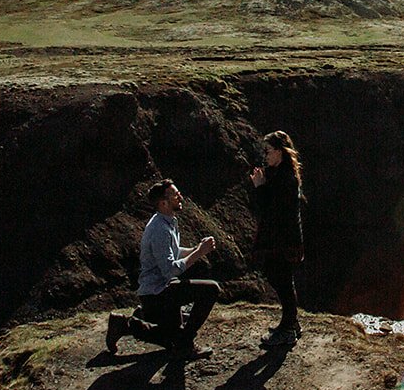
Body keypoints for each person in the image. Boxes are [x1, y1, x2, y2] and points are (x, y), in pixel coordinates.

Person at [105, 179, 221, 358]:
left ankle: (129, 324)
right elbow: (170, 270)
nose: (180, 196)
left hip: (159, 291)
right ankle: (184, 343)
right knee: (211, 290)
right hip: (157, 293)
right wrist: (198, 252)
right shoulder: (160, 229)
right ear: (163, 203)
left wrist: (194, 250)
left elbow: (173, 252)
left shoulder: (166, 222)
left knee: (175, 333)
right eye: (175, 195)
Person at [248, 130, 306, 348]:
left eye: (269, 151)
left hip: (283, 240)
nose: (266, 155)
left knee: (280, 279)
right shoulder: (279, 173)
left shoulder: (285, 178)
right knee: (280, 279)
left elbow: (271, 209)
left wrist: (260, 187)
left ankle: (288, 328)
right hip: (281, 239)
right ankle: (290, 323)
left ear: (280, 152)